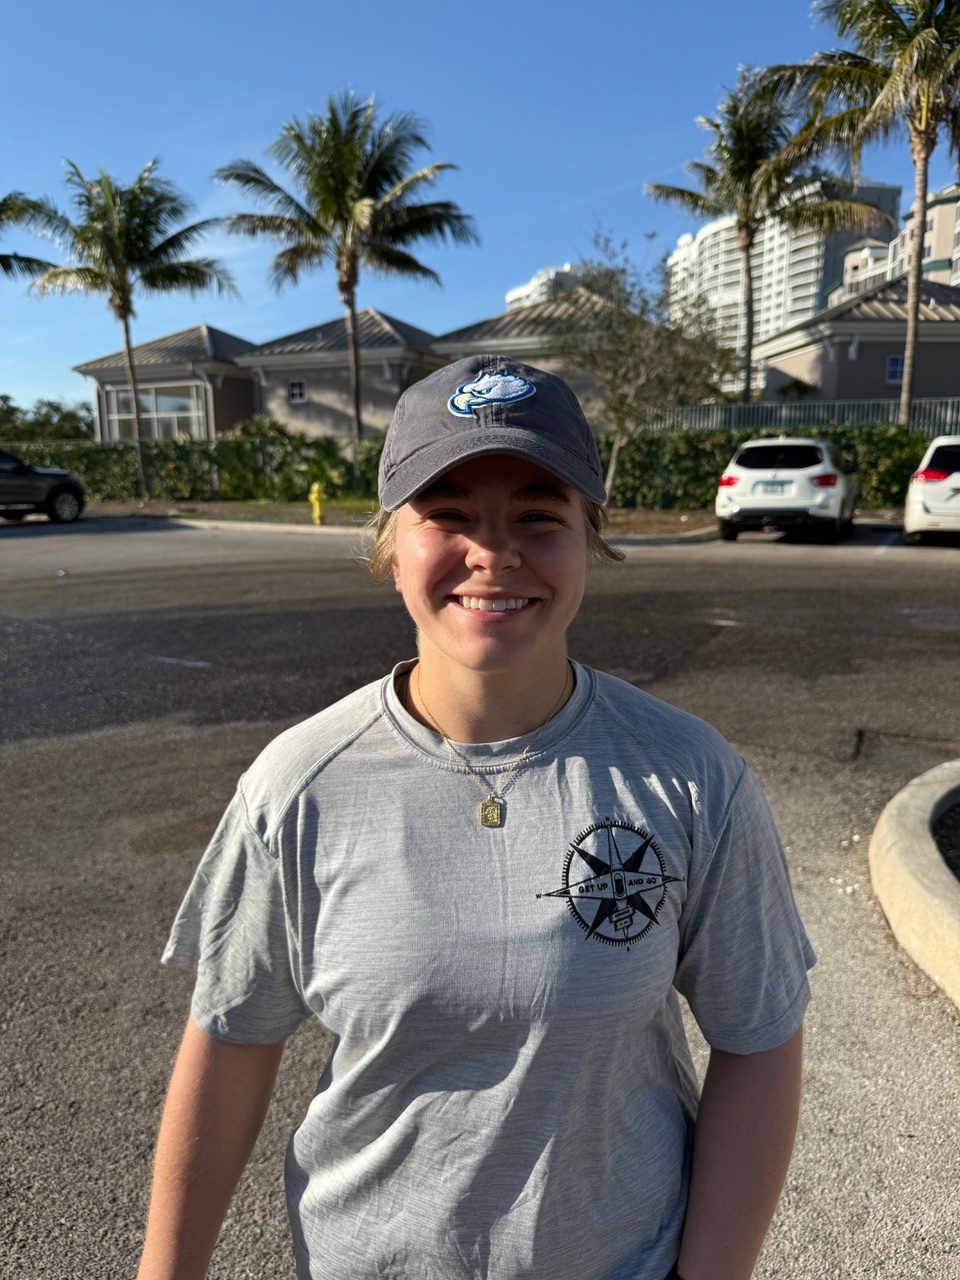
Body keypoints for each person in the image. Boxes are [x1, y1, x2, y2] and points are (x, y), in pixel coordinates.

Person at [137, 356, 815, 1280]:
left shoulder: (692, 777)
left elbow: (759, 1039)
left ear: (589, 541)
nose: (494, 553)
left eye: (539, 515)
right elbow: (229, 1043)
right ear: (389, 548)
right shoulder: (297, 787)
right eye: (447, 515)